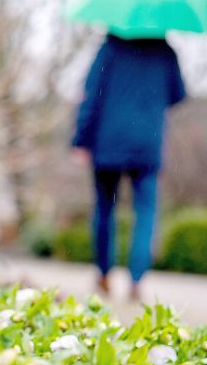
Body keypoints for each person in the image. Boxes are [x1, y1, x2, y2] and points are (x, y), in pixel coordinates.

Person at [71, 33, 186, 299]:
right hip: (147, 141)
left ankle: (103, 276)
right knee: (145, 213)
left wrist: (80, 139)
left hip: (108, 141)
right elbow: (178, 94)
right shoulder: (165, 51)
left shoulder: (110, 48)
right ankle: (136, 281)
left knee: (104, 210)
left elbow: (91, 94)